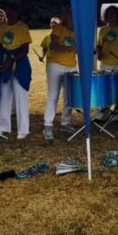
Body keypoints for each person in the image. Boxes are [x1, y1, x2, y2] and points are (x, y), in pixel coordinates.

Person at [0, 4, 33, 139]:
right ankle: (2, 127)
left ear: (17, 13)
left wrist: (12, 60)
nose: (8, 15)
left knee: (20, 97)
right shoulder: (3, 27)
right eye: (7, 13)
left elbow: (25, 49)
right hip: (5, 63)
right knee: (4, 96)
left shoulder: (22, 27)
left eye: (11, 13)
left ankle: (23, 130)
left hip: (20, 64)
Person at [43, 8, 76, 139]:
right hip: (55, 65)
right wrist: (66, 48)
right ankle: (48, 125)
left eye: (72, 14)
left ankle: (66, 123)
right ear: (65, 16)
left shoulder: (78, 29)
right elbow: (53, 46)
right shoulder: (58, 28)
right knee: (53, 96)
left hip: (71, 66)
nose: (70, 17)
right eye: (68, 14)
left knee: (69, 97)